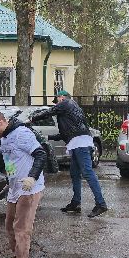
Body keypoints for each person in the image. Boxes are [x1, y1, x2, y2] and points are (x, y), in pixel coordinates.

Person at [0, 109, 46, 258]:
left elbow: (41, 154)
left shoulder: (22, 133)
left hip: (29, 188)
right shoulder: (5, 138)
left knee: (21, 228)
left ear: (0, 122)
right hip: (15, 188)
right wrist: (9, 181)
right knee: (9, 225)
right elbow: (10, 162)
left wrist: (32, 177)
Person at [46, 90, 108, 218]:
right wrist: (48, 137)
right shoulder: (73, 110)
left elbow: (49, 112)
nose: (56, 104)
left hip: (81, 144)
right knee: (75, 173)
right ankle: (76, 203)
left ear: (62, 98)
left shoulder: (67, 103)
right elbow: (65, 134)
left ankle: (101, 204)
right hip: (78, 143)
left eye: (57, 100)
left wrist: (31, 119)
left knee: (87, 172)